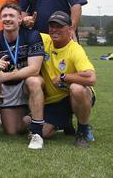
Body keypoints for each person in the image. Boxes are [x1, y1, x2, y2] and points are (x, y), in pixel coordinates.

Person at [0, 2, 46, 149]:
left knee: (34, 81)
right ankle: (33, 118)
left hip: (26, 81)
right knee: (12, 131)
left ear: (20, 19)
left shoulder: (32, 35)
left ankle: (37, 133)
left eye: (12, 16)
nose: (8, 19)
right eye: (4, 16)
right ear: (0, 20)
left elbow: (34, 69)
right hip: (7, 88)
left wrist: (6, 76)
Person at [40, 11, 96, 147]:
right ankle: (64, 121)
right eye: (52, 26)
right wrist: (25, 21)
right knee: (42, 133)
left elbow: (91, 78)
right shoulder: (44, 40)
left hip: (76, 95)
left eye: (59, 26)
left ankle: (82, 131)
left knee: (76, 88)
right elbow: (21, 32)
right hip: (55, 101)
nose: (54, 30)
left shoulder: (75, 49)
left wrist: (64, 77)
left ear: (70, 29)